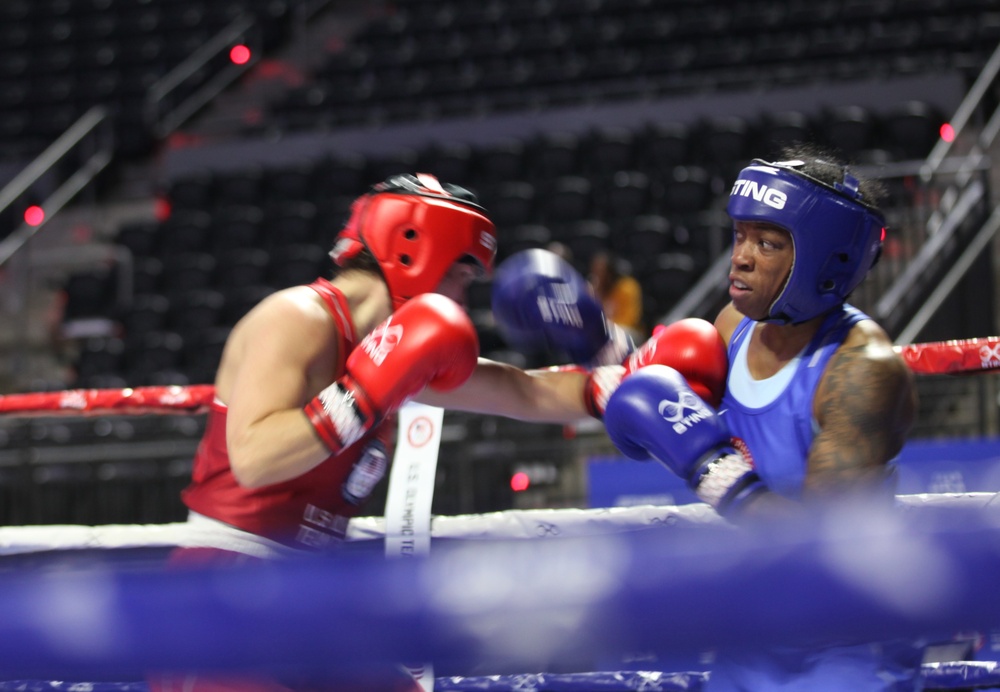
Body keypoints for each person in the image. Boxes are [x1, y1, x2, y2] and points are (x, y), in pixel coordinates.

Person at [154, 172, 729, 691]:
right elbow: (254, 458)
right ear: (414, 250)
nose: (464, 296)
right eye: (460, 276)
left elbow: (520, 391)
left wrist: (625, 378)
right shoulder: (298, 317)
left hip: (312, 589)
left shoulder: (397, 350)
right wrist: (362, 394)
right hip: (227, 582)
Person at [600, 144, 921, 690]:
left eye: (768, 242)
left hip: (847, 639)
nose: (741, 258)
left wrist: (710, 468)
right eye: (740, 235)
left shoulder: (861, 369)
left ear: (826, 257)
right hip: (756, 632)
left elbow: (820, 557)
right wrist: (605, 360)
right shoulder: (732, 325)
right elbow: (657, 412)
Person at [588, 250, 644, 343]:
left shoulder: (627, 287)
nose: (596, 276)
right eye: (595, 271)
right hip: (604, 332)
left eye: (601, 272)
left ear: (610, 273)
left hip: (629, 332)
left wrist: (606, 327)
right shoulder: (593, 288)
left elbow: (630, 320)